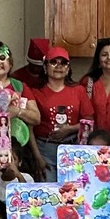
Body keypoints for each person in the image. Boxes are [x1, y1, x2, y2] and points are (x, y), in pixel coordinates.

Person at [29, 43, 90, 176]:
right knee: (48, 188)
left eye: (63, 63)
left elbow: (89, 122)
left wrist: (69, 129)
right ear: (45, 67)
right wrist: (37, 157)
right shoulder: (35, 93)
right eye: (53, 62)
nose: (59, 66)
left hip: (74, 149)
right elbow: (30, 128)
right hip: (45, 149)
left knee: (72, 187)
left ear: (68, 69)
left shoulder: (79, 90)